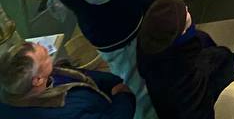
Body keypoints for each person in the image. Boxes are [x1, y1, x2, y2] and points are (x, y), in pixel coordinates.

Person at [136, 0, 234, 119]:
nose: (186, 8)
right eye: (185, 12)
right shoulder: (182, 76)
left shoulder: (151, 48)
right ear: (182, 32)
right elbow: (199, 108)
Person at [0, 41, 135, 118]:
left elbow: (81, 75)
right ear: (38, 80)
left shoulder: (12, 83)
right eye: (46, 56)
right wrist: (124, 97)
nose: (46, 48)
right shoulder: (69, 112)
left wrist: (110, 81)